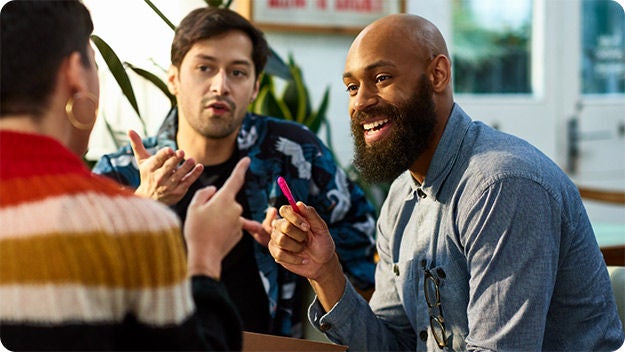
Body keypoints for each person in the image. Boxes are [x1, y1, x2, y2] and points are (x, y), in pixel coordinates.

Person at [267, 13, 625, 351]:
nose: (360, 101)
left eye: (381, 79)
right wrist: (325, 272)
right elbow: (395, 345)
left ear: (438, 74)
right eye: (351, 87)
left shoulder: (500, 186)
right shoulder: (400, 198)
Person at [92, 7, 377, 337]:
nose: (220, 86)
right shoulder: (123, 172)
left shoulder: (294, 153)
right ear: (173, 78)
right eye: (204, 68)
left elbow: (365, 245)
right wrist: (141, 205)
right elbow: (73, 287)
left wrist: (303, 246)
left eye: (238, 73)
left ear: (255, 87)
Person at [0, 1, 248, 350]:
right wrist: (205, 257)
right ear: (74, 74)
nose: (220, 86)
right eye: (96, 68)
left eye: (238, 71)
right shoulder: (138, 223)